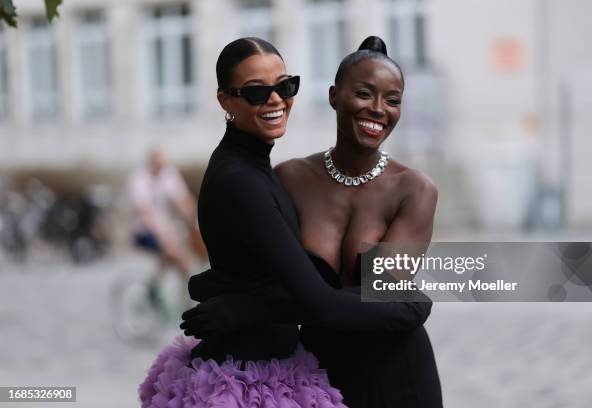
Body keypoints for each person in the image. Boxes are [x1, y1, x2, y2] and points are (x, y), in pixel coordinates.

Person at [139, 37, 432, 407]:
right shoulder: (284, 176)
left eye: (285, 86)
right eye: (257, 92)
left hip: (389, 371)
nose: (276, 100)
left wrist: (243, 303)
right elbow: (301, 288)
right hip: (296, 371)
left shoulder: (415, 190)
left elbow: (373, 294)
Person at [127, 149, 199, 307]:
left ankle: (157, 289)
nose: (162, 169)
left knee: (181, 257)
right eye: (159, 165)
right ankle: (178, 302)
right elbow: (144, 212)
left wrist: (195, 220)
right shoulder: (139, 179)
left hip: (165, 229)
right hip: (144, 231)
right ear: (151, 163)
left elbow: (183, 200)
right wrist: (164, 237)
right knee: (178, 259)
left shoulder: (167, 174)